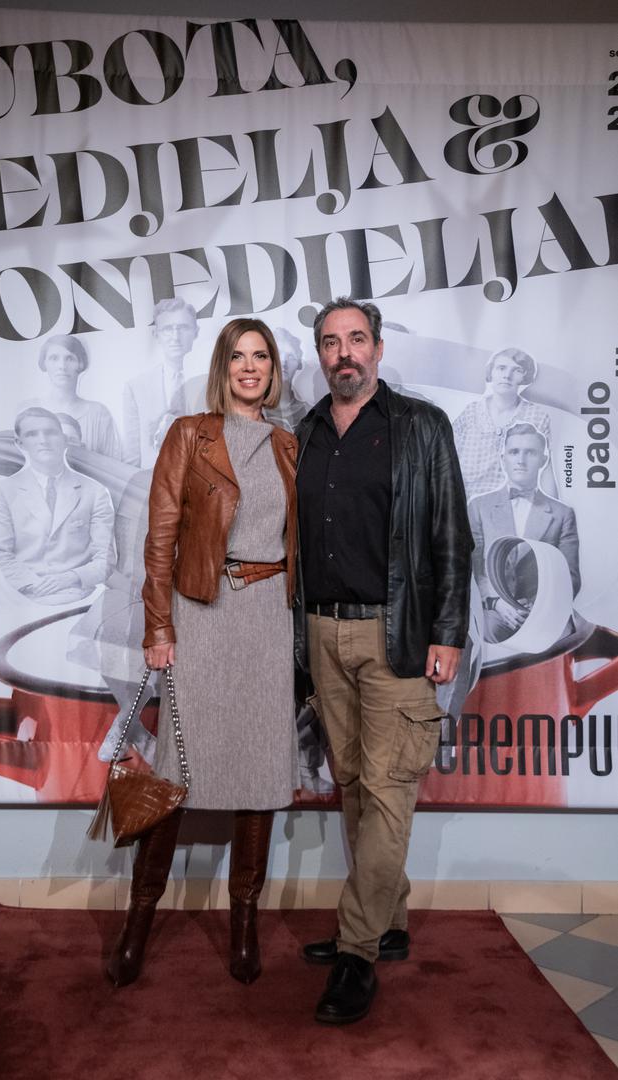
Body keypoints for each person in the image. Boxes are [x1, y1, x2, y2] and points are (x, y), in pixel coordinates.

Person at [295, 297, 473, 1025]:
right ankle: (387, 921)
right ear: (320, 353)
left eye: (356, 339)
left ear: (377, 347)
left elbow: (452, 536)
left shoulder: (421, 426)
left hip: (395, 635)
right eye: (331, 342)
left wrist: (449, 631)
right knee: (355, 786)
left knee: (390, 787)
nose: (344, 353)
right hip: (320, 634)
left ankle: (357, 951)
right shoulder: (305, 431)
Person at [107, 318, 299, 989]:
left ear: (273, 369)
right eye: (238, 356)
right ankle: (138, 923)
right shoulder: (190, 434)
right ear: (222, 367)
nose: (250, 367)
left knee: (260, 770)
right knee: (175, 772)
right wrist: (158, 628)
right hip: (200, 613)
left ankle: (244, 924)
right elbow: (160, 538)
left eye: (261, 356)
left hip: (268, 619)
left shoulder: (288, 445)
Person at [0, 408, 116, 604]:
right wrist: (34, 585)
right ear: (19, 443)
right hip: (23, 598)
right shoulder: (2, 492)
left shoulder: (95, 491)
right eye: (32, 434)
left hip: (81, 596)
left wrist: (71, 577)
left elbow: (106, 558)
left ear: (64, 440)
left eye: (50, 432)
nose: (43, 440)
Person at [468, 422, 580, 642]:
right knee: (486, 630)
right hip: (494, 610)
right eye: (514, 452)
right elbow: (471, 567)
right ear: (503, 459)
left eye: (530, 452)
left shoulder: (562, 514)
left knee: (566, 636)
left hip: (542, 611)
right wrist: (496, 603)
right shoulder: (479, 507)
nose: (521, 460)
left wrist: (536, 606)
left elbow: (571, 577)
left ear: (543, 460)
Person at [452, 346, 555, 499]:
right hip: (465, 504)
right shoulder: (470, 413)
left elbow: (546, 470)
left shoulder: (537, 417)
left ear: (525, 376)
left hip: (513, 505)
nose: (507, 376)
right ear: (491, 372)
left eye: (517, 370)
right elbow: (447, 464)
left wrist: (554, 510)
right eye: (501, 368)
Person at [122, 298, 205, 467]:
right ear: (156, 334)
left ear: (196, 332)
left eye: (183, 328)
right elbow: (132, 458)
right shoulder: (136, 388)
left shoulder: (214, 382)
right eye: (167, 329)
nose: (175, 337)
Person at [29, 334, 122, 458]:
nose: (62, 366)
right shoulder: (27, 409)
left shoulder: (98, 414)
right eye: (54, 358)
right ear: (44, 363)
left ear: (81, 364)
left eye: (70, 358)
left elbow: (111, 464)